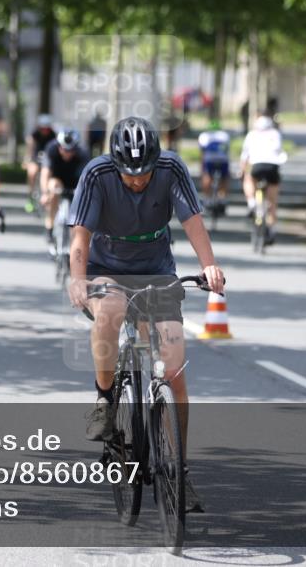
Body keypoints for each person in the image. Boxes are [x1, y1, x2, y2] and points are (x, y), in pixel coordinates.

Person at [67, 116, 225, 513]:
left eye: (143, 173)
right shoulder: (97, 174)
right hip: (107, 269)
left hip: (156, 272)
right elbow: (80, 238)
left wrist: (209, 265)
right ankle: (105, 400)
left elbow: (192, 222)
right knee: (111, 311)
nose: (137, 180)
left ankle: (179, 470)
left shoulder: (171, 169)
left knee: (174, 370)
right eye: (129, 174)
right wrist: (77, 280)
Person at [240, 110, 285, 244]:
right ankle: (272, 230)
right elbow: (280, 152)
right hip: (273, 167)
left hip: (257, 166)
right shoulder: (276, 134)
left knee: (248, 178)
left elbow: (244, 157)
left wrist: (242, 171)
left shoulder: (251, 135)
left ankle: (252, 203)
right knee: (272, 202)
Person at [40, 129, 90, 248]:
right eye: (64, 149)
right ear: (59, 146)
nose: (67, 153)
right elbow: (45, 173)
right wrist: (45, 193)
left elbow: (88, 177)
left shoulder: (83, 153)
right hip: (58, 180)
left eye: (70, 150)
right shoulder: (51, 149)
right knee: (53, 187)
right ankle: (50, 226)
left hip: (75, 181)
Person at [197, 120, 231, 215]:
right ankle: (222, 198)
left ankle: (207, 199)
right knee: (225, 178)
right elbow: (227, 151)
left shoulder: (204, 136)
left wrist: (201, 169)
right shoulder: (225, 135)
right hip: (223, 160)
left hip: (209, 160)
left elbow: (202, 153)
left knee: (206, 175)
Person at [25, 114, 56, 212]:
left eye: (47, 128)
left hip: (48, 159)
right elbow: (30, 149)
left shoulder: (54, 135)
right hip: (36, 157)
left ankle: (47, 197)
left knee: (47, 174)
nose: (45, 131)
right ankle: (30, 195)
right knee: (32, 172)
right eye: (43, 128)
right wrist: (27, 160)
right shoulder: (34, 135)